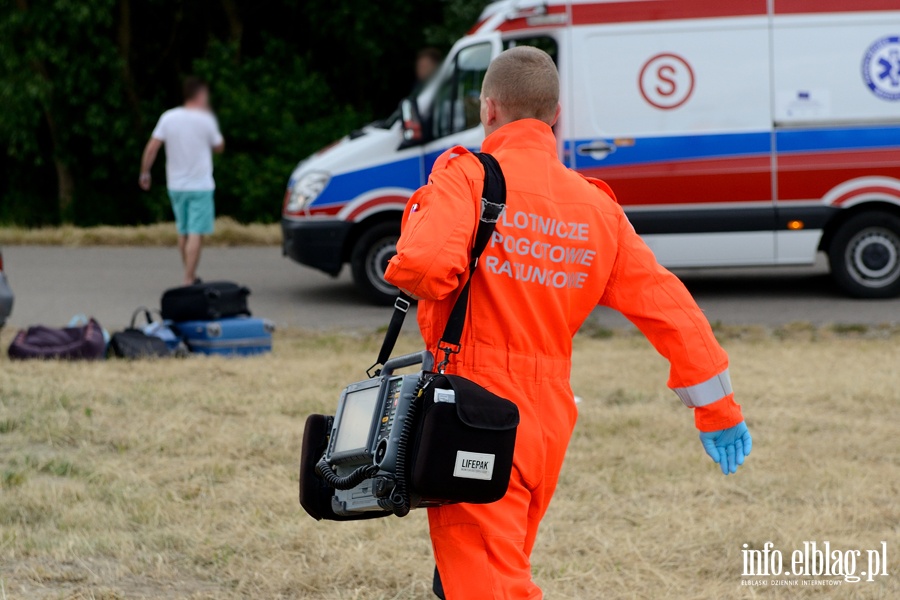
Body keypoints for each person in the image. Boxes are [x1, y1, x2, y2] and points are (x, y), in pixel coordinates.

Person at [384, 47, 752, 600]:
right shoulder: (596, 208)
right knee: (486, 564)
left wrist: (427, 211)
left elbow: (422, 270)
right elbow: (668, 306)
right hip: (548, 417)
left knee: (492, 583)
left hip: (473, 406)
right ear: (554, 116)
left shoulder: (467, 177)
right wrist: (717, 408)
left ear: (488, 109)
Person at [139, 76, 225, 285]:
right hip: (201, 186)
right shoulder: (206, 119)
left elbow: (152, 147)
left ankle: (189, 274)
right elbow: (219, 146)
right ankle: (189, 279)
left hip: (176, 185)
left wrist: (145, 172)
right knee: (196, 232)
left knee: (183, 231)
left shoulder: (168, 117)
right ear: (200, 95)